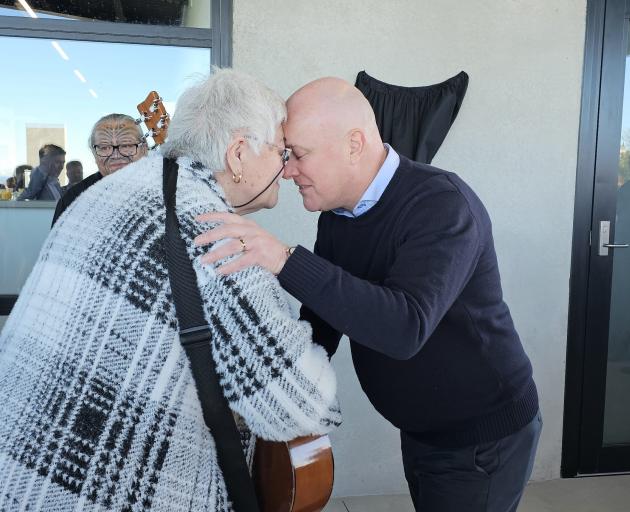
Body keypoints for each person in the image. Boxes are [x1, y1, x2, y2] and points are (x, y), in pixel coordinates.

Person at [196, 76, 541, 512]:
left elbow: (404, 328)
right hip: (423, 428)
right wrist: (263, 381)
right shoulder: (338, 213)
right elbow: (323, 320)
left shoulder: (442, 204)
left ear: (354, 144)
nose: (287, 171)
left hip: (481, 438)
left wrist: (283, 258)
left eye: (298, 154)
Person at [0, 69, 341, 510]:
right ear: (239, 154)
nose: (288, 168)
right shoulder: (211, 232)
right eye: (281, 151)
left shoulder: (110, 191)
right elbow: (300, 406)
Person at [52, 114, 148, 225]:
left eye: (126, 145)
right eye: (104, 148)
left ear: (144, 148)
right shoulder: (73, 200)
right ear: (94, 154)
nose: (116, 155)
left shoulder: (164, 190)